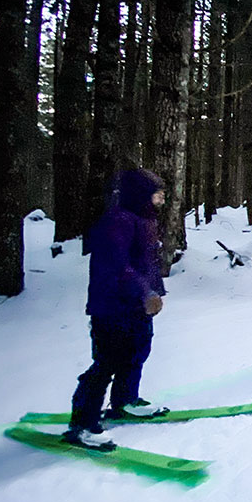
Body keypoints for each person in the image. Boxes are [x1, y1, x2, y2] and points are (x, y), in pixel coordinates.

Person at [63, 169, 169, 450]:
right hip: (111, 306)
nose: (161, 199)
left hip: (135, 306)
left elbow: (147, 263)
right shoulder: (117, 221)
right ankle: (82, 424)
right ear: (140, 194)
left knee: (137, 352)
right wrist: (145, 292)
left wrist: (156, 291)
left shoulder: (143, 220)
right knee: (107, 362)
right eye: (157, 193)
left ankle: (124, 401)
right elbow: (117, 267)